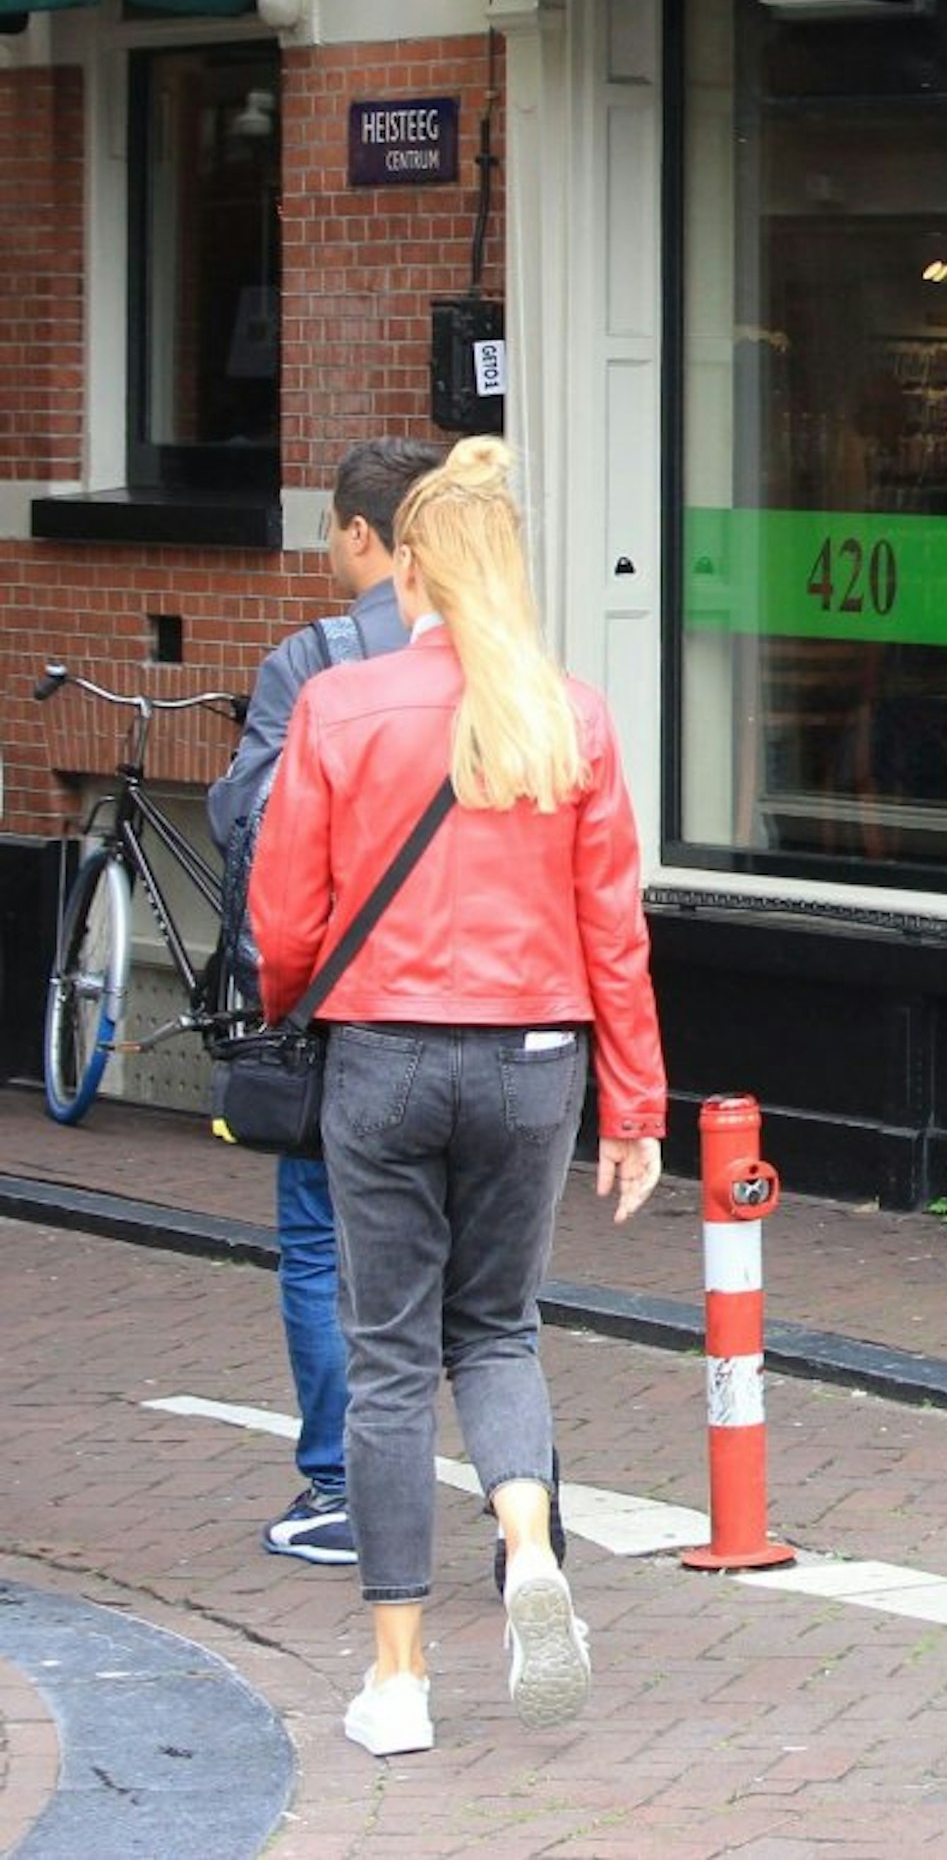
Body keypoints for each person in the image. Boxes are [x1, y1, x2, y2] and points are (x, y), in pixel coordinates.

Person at [248, 438, 667, 1759]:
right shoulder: (573, 716)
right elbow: (615, 932)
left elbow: (288, 916)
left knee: (386, 1360)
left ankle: (399, 1677)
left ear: (409, 566)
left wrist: (287, 1009)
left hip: (383, 1054)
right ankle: (533, 1545)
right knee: (496, 1330)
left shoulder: (342, 705)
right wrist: (638, 1106)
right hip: (537, 1060)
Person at [205, 435, 448, 1573]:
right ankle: (517, 1511)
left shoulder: (314, 662)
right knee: (489, 1287)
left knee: (320, 1241)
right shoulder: (499, 653)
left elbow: (253, 829)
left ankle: (342, 1486)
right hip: (495, 1010)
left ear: (361, 532)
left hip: (351, 1001)